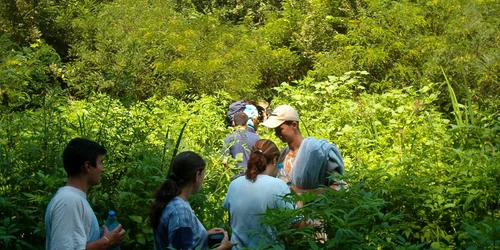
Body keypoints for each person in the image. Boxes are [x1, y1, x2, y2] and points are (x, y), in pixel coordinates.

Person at [45, 138, 126, 250]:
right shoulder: (69, 201)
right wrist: (107, 242)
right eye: (100, 163)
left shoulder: (73, 199)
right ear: (87, 166)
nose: (103, 169)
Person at [149, 151, 238, 250]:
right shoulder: (180, 211)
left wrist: (203, 235)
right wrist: (222, 248)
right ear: (197, 175)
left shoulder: (171, 200)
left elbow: (182, 240)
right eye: (203, 174)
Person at [223, 139, 299, 249]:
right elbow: (297, 224)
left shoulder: (234, 185)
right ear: (274, 160)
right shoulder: (278, 185)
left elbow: (232, 222)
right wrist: (298, 201)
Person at [261, 105, 345, 191]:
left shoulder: (318, 152)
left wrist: (303, 193)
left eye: (280, 129)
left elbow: (340, 187)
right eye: (275, 130)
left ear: (293, 125)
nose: (276, 134)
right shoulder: (283, 155)